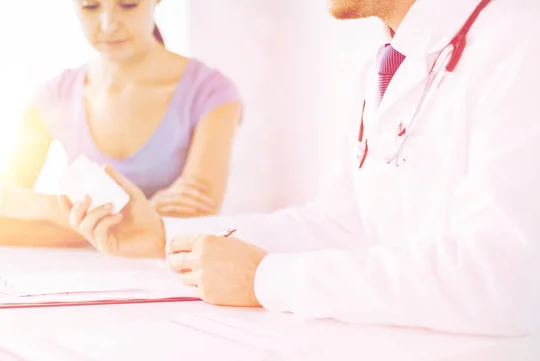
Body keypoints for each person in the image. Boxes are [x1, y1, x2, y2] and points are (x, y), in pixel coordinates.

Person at [62, 0, 540, 336]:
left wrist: (267, 280)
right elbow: (339, 225)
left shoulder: (521, 44)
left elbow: (504, 283)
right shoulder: (384, 65)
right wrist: (165, 235)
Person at [0, 0, 243, 246]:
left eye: (128, 5)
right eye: (90, 7)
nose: (108, 24)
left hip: (172, 282)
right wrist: (146, 216)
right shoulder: (53, 96)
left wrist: (41, 207)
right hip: (77, 284)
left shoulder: (211, 93)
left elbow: (194, 218)